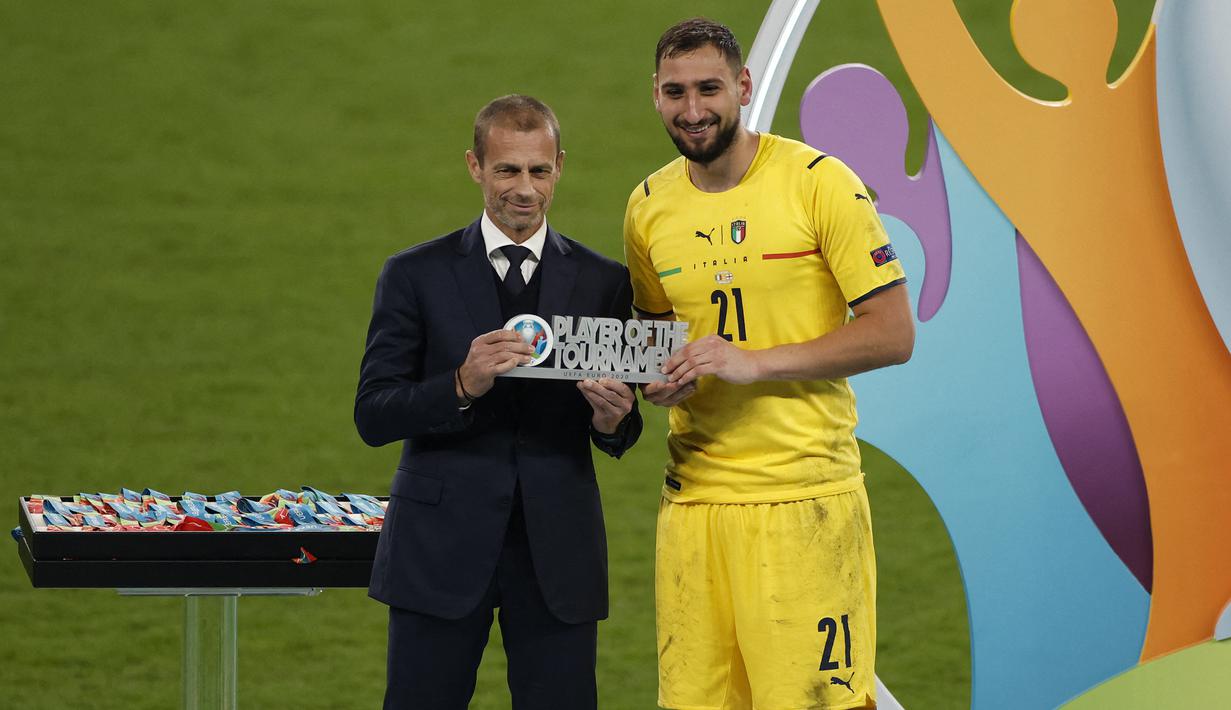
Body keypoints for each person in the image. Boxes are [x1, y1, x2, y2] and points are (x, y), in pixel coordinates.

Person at [623, 18, 915, 710]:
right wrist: (653, 379)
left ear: (744, 86)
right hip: (693, 507)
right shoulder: (647, 207)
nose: (692, 110)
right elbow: (656, 341)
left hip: (804, 500)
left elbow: (892, 333)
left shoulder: (819, 184)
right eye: (675, 92)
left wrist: (754, 364)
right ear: (656, 94)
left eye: (709, 88)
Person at [356, 94, 642, 710]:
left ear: (559, 167)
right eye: (507, 170)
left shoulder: (605, 282)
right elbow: (373, 413)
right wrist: (460, 384)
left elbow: (623, 424)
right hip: (438, 548)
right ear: (475, 166)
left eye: (539, 170)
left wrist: (611, 419)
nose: (525, 189)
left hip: (557, 553)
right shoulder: (414, 274)